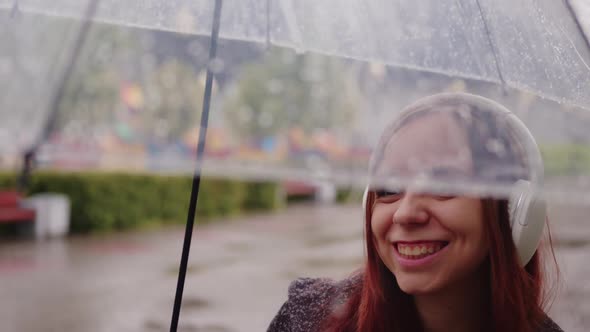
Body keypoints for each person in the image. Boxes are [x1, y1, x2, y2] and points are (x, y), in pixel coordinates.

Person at [267, 93, 563, 332]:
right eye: (389, 187)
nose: (404, 214)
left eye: (442, 182)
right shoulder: (306, 321)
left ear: (513, 208)